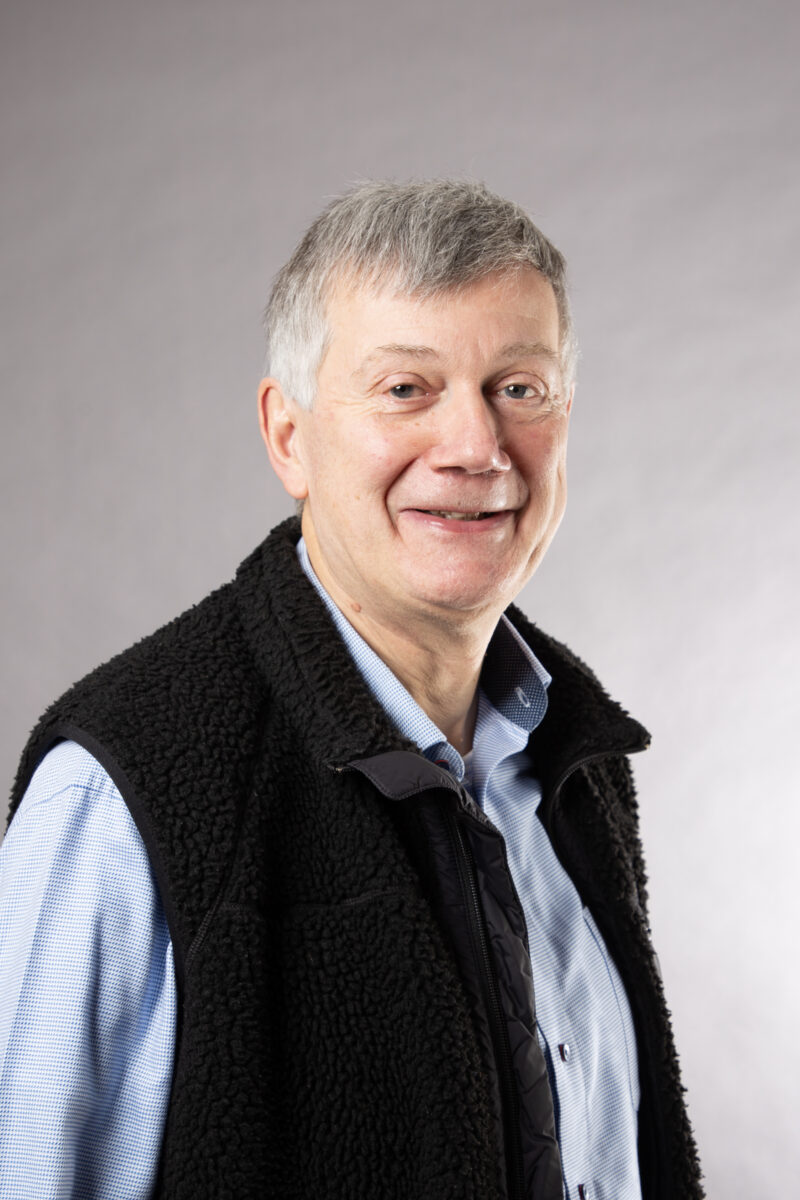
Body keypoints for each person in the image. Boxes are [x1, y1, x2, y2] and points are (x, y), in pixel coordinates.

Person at [0, 180, 703, 1200]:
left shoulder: (569, 757)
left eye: (518, 387)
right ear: (287, 436)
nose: (475, 447)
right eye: (405, 388)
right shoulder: (123, 793)